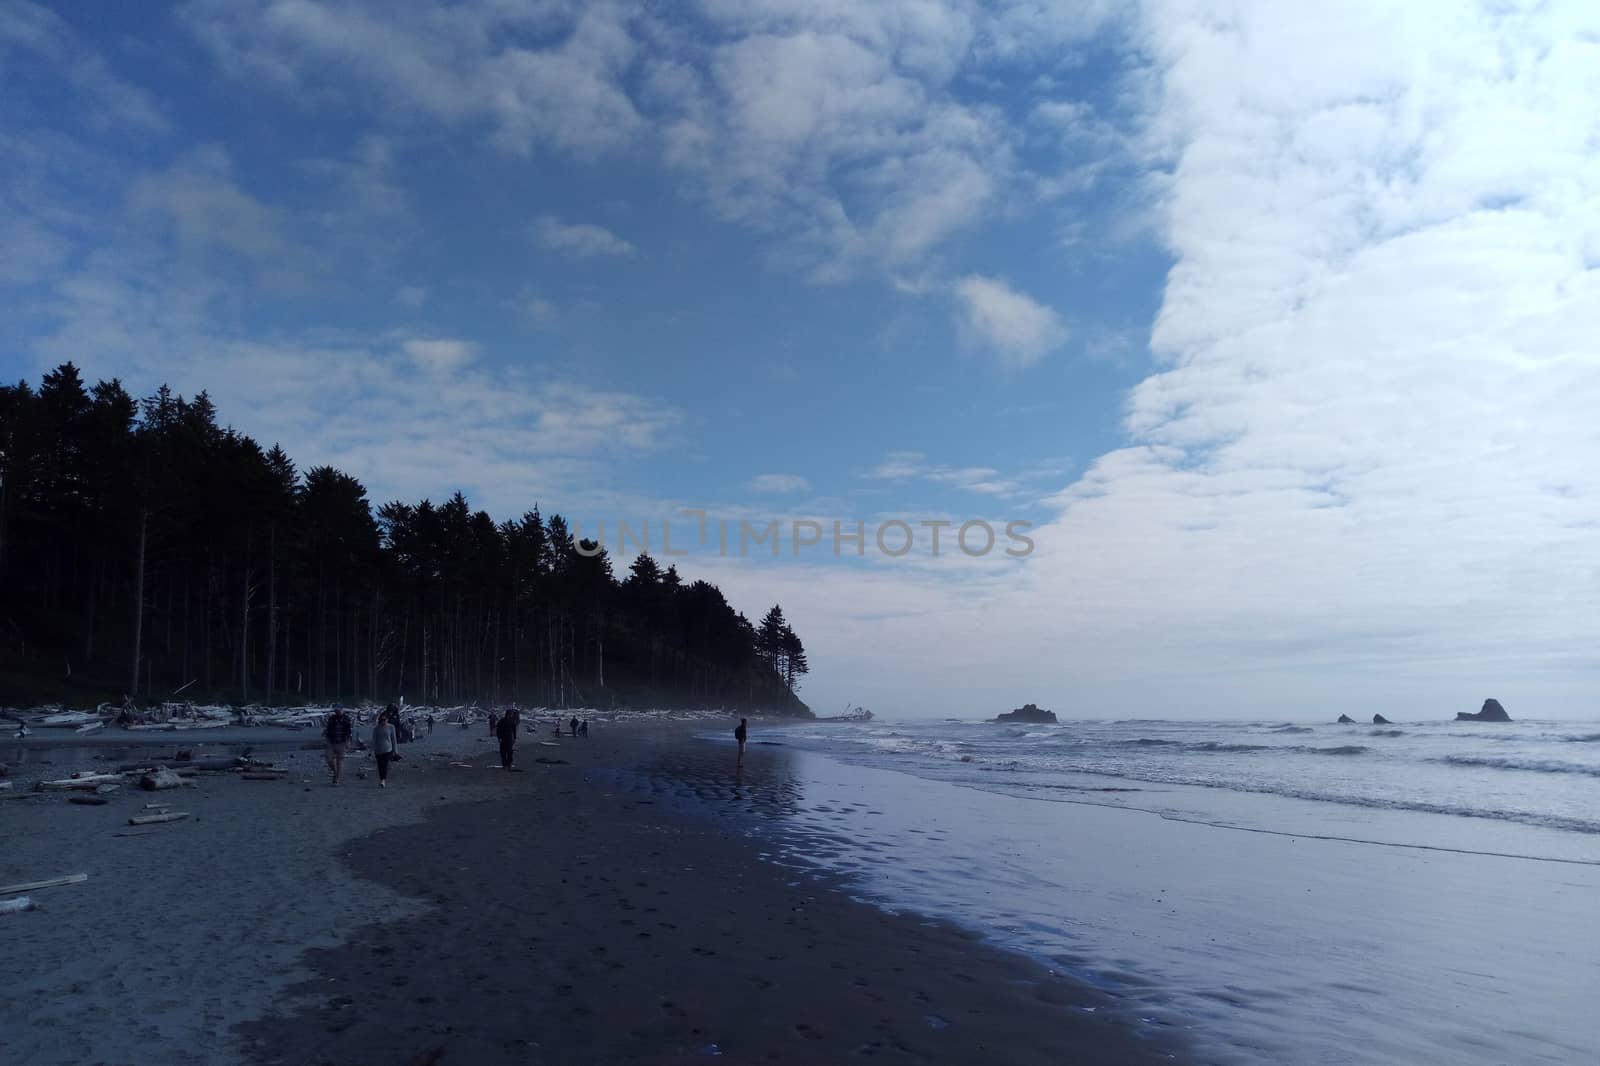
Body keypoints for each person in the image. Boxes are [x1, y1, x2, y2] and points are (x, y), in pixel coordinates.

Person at [323, 704, 354, 785]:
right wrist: (326, 739)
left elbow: (349, 731)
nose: (337, 711)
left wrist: (348, 742)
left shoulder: (346, 719)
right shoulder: (332, 718)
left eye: (339, 710)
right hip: (331, 741)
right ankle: (335, 771)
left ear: (342, 710)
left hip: (342, 742)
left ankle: (337, 779)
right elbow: (328, 729)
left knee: (340, 760)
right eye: (336, 710)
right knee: (329, 759)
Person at [372, 711, 398, 788]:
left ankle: (383, 780)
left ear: (387, 719)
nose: (383, 721)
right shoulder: (376, 728)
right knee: (380, 766)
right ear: (380, 720)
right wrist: (370, 751)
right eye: (382, 720)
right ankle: (381, 779)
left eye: (385, 719)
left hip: (387, 749)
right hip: (378, 750)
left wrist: (395, 751)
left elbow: (394, 740)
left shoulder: (391, 727)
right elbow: (374, 740)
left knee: (385, 764)